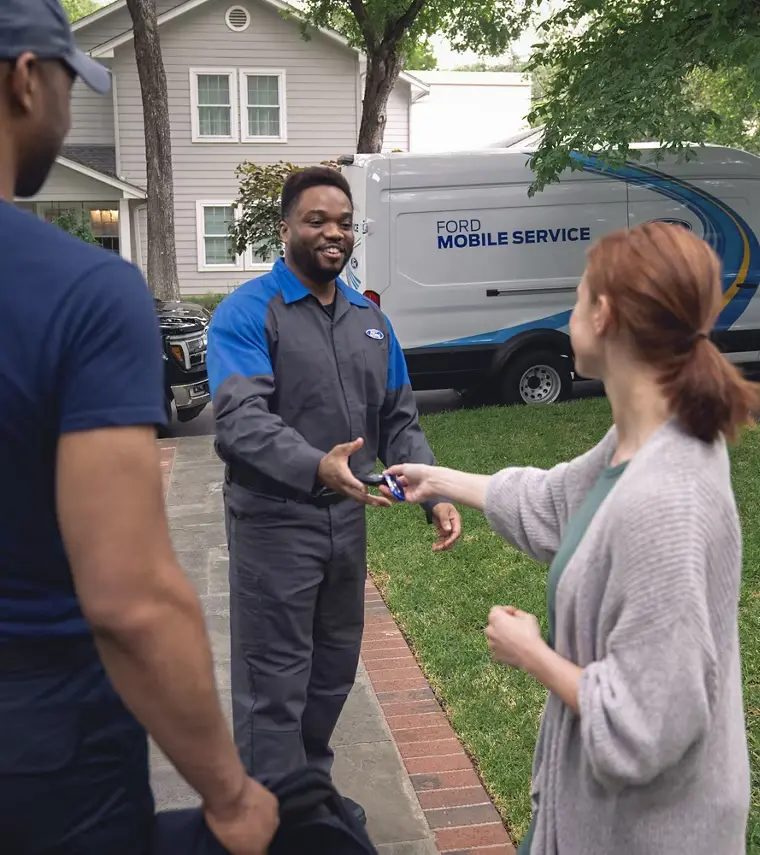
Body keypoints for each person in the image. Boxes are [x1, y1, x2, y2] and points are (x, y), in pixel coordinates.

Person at [0, 1, 278, 853]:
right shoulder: (80, 292)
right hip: (42, 754)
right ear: (22, 79)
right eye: (66, 85)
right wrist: (228, 793)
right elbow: (130, 598)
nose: (69, 112)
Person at [386, 222, 753, 855]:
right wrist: (437, 478)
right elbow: (556, 502)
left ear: (604, 314)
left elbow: (647, 725)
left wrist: (531, 652)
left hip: (646, 835)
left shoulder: (668, 498)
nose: (571, 309)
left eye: (579, 295)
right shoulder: (644, 442)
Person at [207, 166, 462, 821]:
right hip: (274, 522)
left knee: (331, 669)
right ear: (286, 226)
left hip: (346, 524)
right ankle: (272, 814)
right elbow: (240, 421)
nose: (333, 233)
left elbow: (399, 416)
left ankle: (307, 792)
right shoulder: (248, 312)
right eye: (317, 220)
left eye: (344, 223)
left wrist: (432, 488)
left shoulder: (369, 319)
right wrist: (316, 464)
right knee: (275, 680)